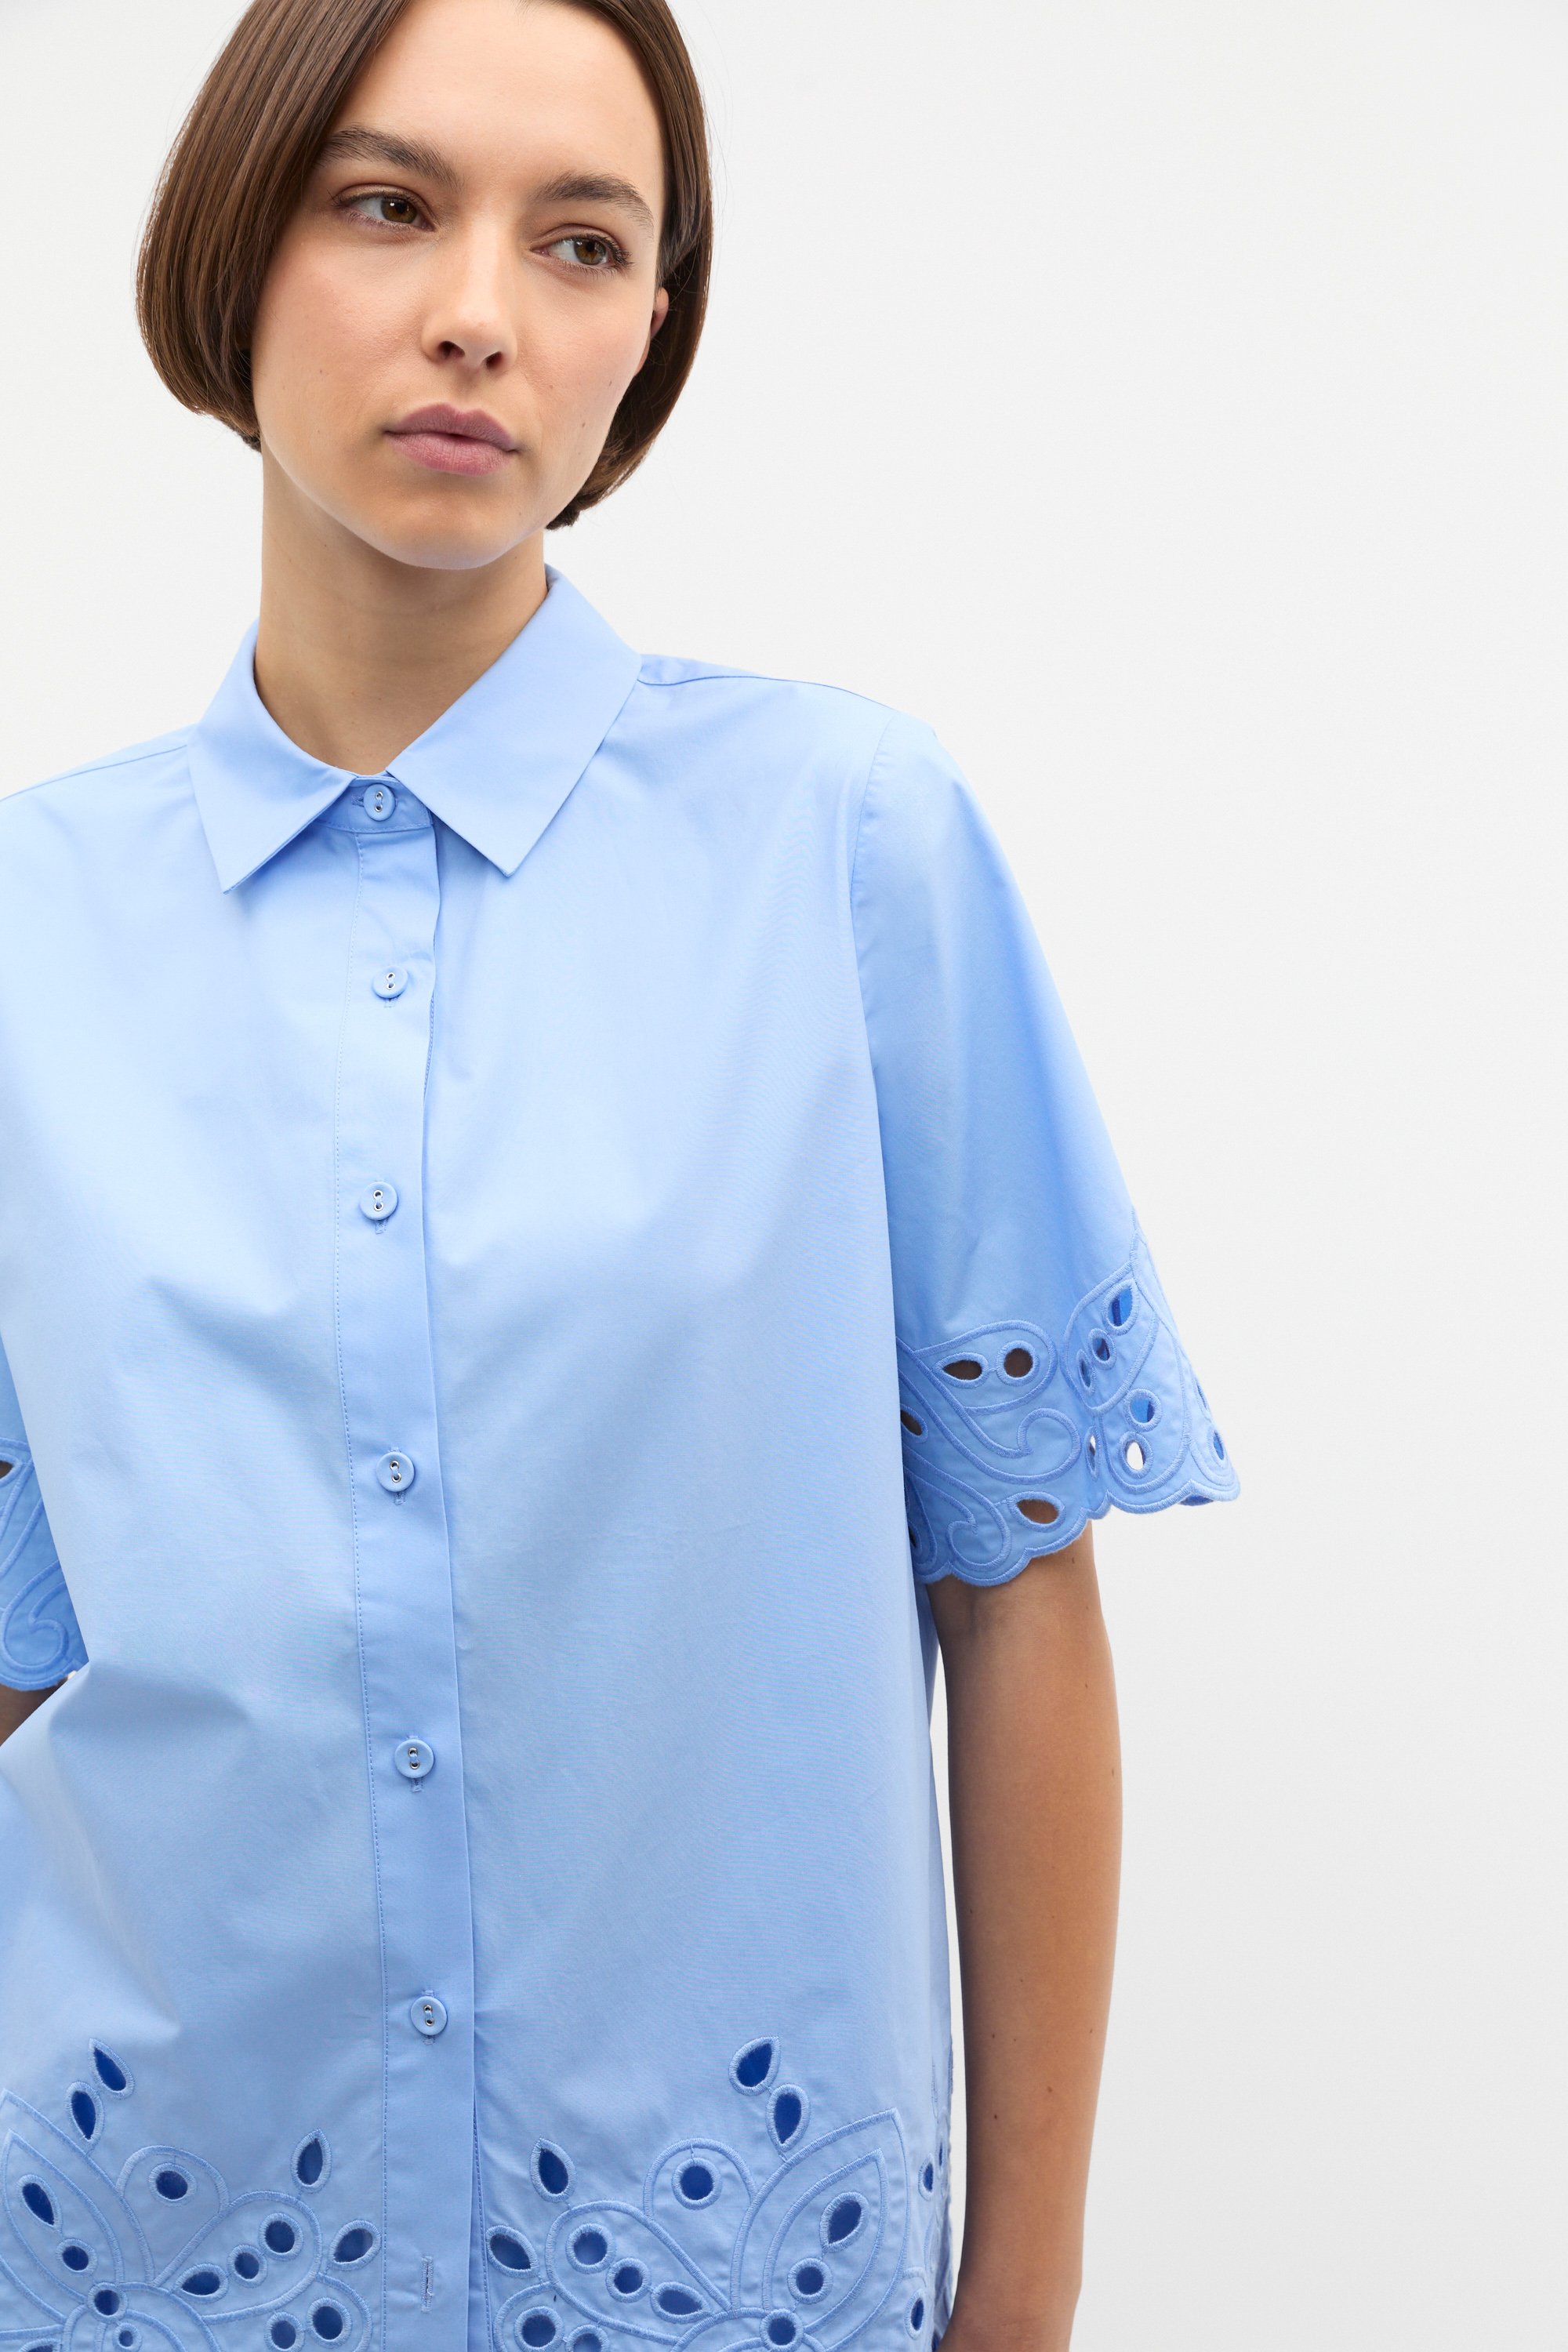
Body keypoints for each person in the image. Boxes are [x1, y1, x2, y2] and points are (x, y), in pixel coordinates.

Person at [0, 3, 1238, 2350]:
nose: (482, 309)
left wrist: (1022, 2300)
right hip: (120, 2261)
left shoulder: (849, 848)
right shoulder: (27, 933)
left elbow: (1020, 1595)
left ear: (649, 330)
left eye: (582, 242)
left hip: (722, 2278)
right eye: (389, 205)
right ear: (235, 248)